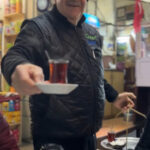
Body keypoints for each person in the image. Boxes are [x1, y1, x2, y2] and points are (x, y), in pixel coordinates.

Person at [1, 0, 135, 150]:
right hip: (54, 139)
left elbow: (94, 74)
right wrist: (17, 67)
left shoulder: (92, 34)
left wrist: (114, 96)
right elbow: (15, 54)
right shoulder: (38, 28)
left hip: (89, 134)